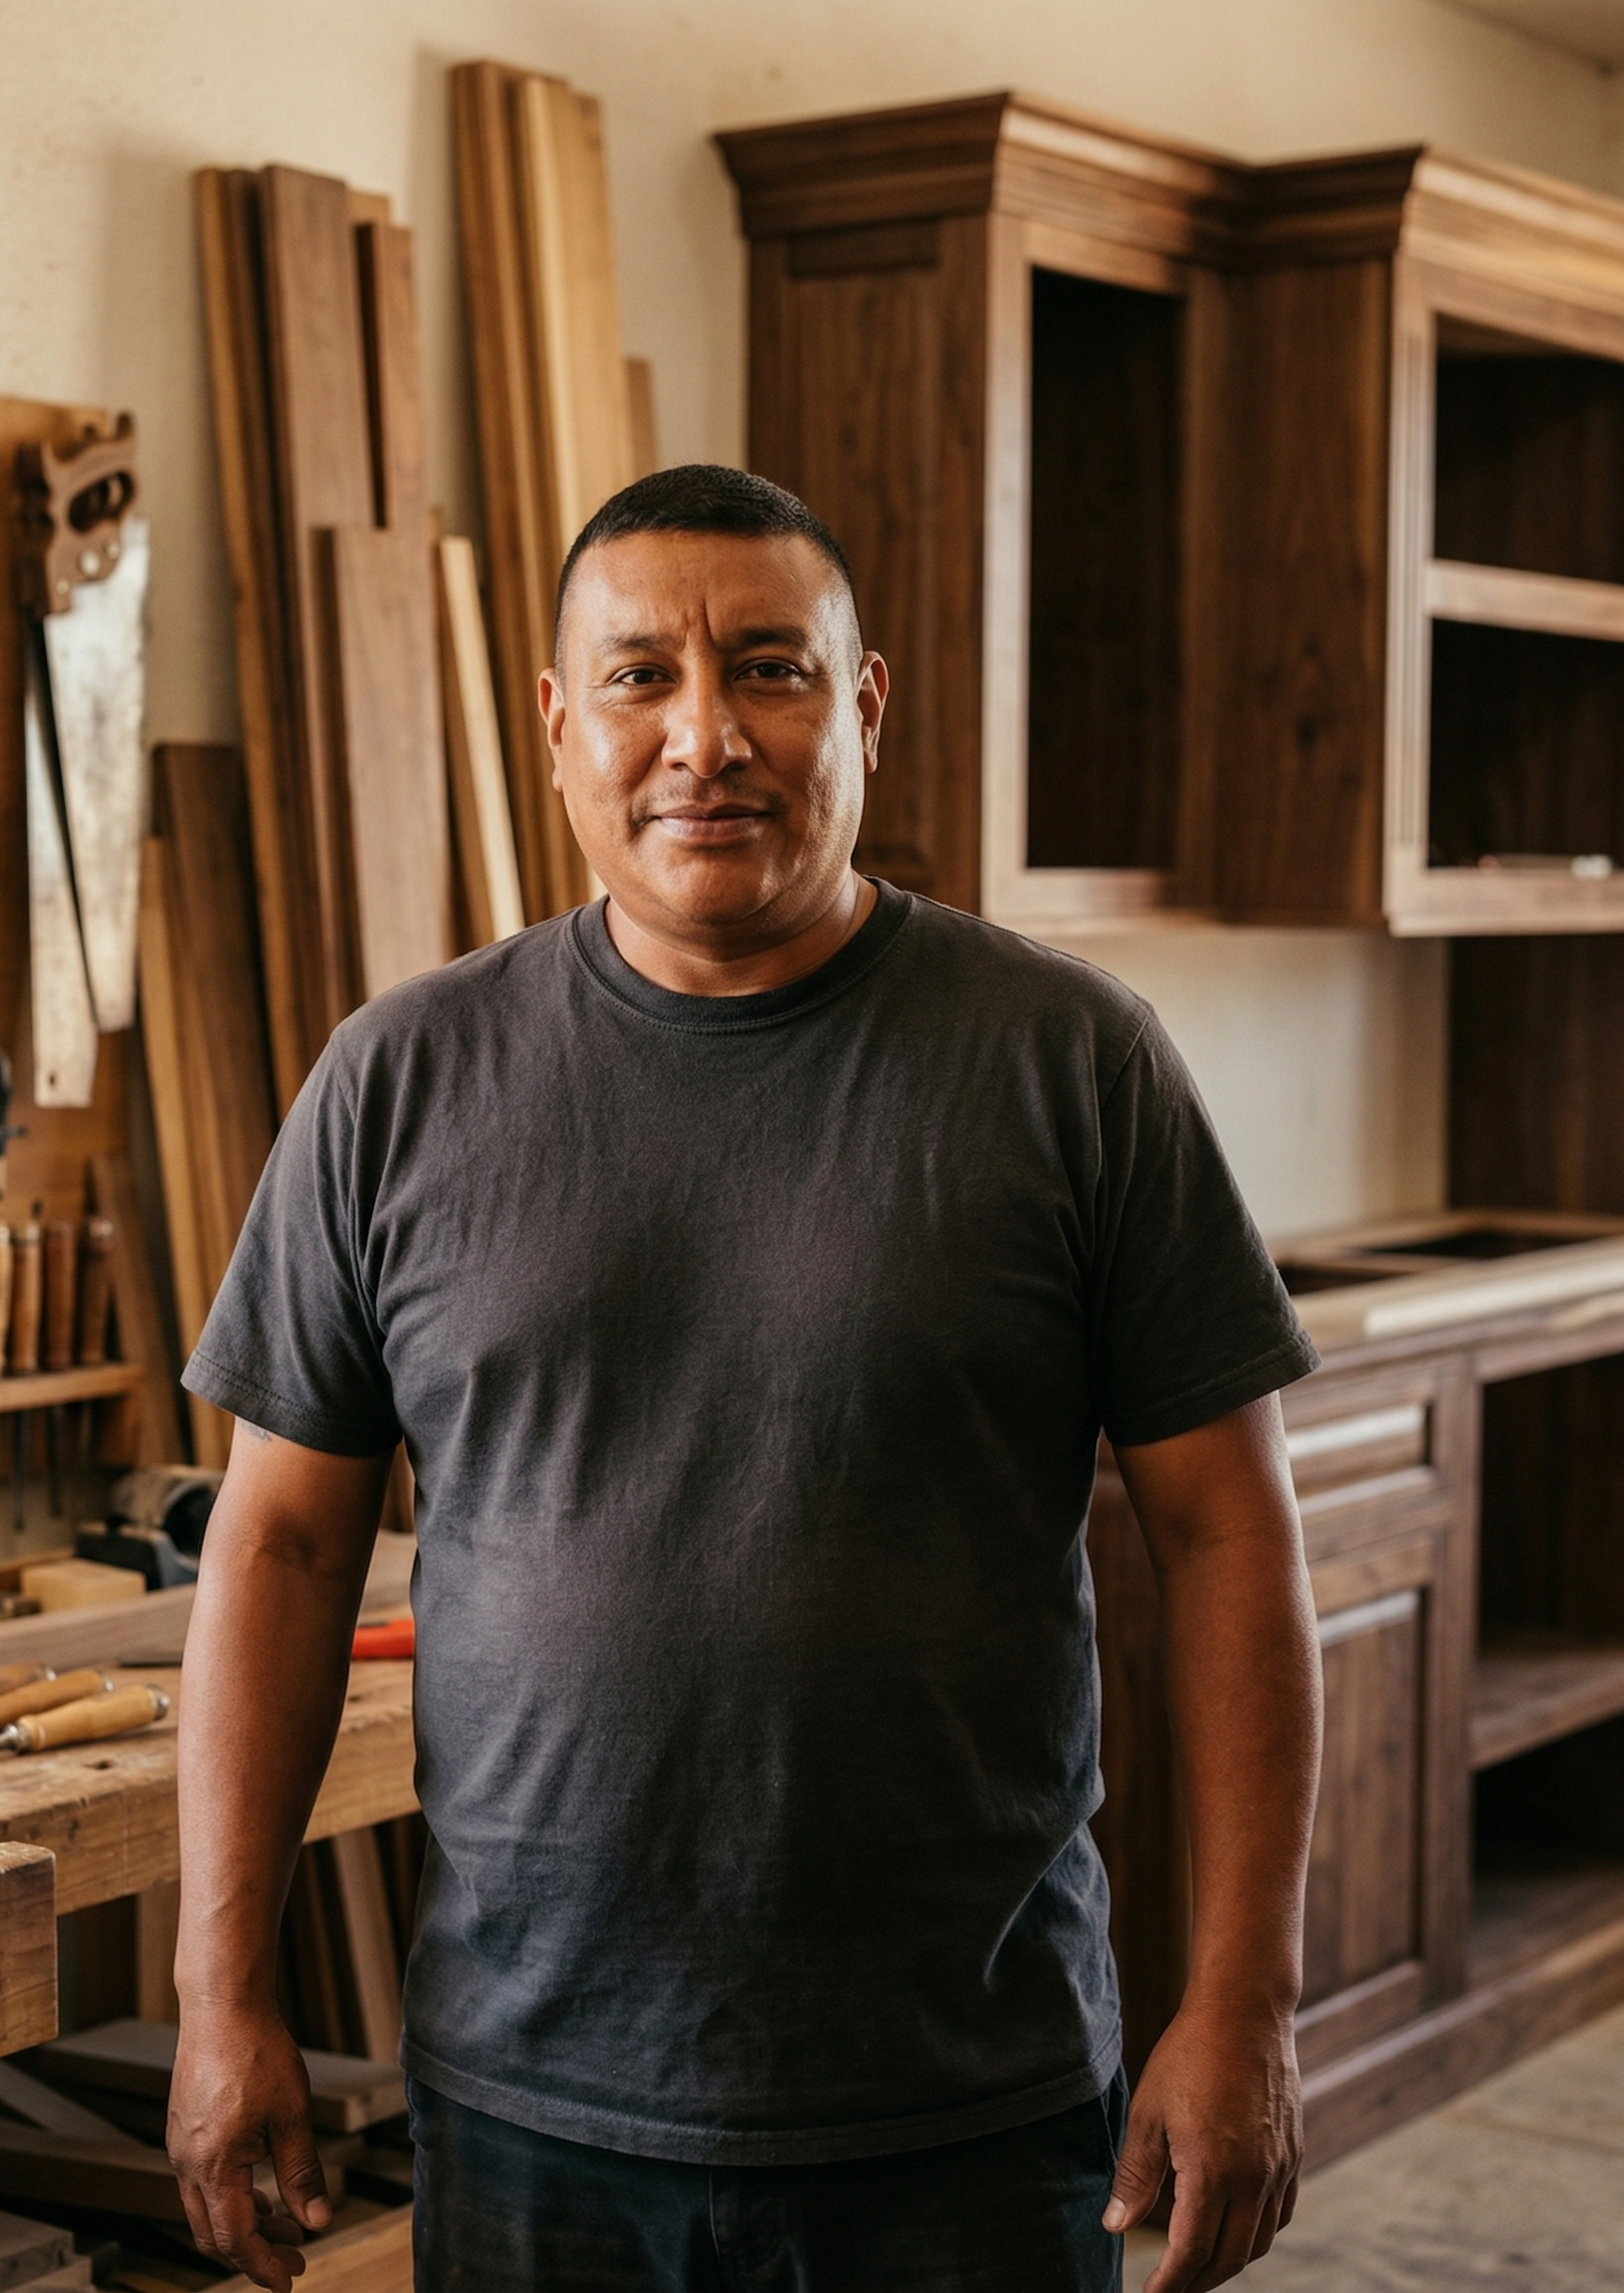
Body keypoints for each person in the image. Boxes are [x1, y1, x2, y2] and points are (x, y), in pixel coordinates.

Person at [166, 465, 1323, 2293]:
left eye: (770, 670)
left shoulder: (1069, 1065)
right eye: (639, 678)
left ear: (860, 709)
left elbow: (1233, 1538)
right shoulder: (400, 1083)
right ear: (557, 729)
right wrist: (221, 1995)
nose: (705, 735)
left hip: (973, 2106)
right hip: (534, 2104)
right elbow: (280, 1554)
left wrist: (1245, 2003)